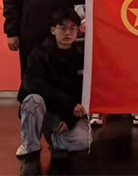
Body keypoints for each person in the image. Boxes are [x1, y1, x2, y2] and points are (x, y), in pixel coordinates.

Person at [16, 9, 89, 175]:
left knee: (83, 141)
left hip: (66, 112)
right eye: (62, 28)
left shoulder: (82, 55)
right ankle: (31, 148)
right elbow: (32, 83)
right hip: (43, 110)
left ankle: (55, 140)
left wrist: (69, 119)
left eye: (72, 28)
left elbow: (83, 91)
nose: (67, 32)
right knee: (33, 101)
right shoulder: (39, 53)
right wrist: (69, 104)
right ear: (53, 30)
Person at [75, 0, 123, 126]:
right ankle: (84, 107)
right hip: (83, 26)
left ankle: (98, 110)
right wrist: (82, 19)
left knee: (102, 69)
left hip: (106, 25)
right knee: (84, 69)